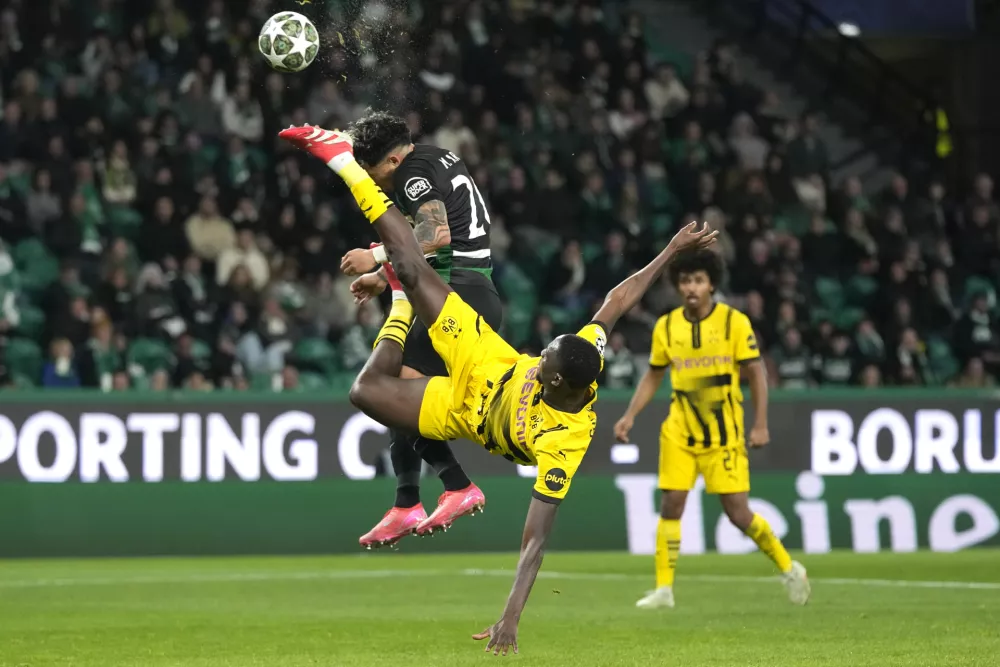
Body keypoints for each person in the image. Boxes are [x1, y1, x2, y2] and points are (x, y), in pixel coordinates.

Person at [279, 123, 718, 656]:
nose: (539, 361)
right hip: (487, 361)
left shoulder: (565, 442)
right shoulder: (580, 355)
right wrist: (671, 250)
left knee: (367, 391)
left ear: (556, 383)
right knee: (411, 281)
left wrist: (510, 618)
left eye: (545, 363)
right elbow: (616, 301)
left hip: (473, 416)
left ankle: (398, 301)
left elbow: (535, 541)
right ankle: (345, 169)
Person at [338, 111, 504, 547]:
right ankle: (407, 500)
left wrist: (375, 257)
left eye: (372, 173)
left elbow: (436, 234)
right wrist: (384, 277)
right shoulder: (435, 157)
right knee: (394, 392)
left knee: (390, 395)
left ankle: (456, 486)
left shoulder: (411, 174)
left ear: (390, 162)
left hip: (461, 293)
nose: (374, 185)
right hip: (462, 289)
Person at [613, 249, 810, 610]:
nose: (691, 287)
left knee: (738, 514)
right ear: (677, 285)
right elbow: (655, 374)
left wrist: (761, 423)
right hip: (680, 430)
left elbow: (756, 374)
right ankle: (664, 590)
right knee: (671, 504)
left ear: (712, 284)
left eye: (699, 280)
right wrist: (629, 416)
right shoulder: (667, 326)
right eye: (685, 280)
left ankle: (789, 568)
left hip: (724, 435)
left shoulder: (734, 323)